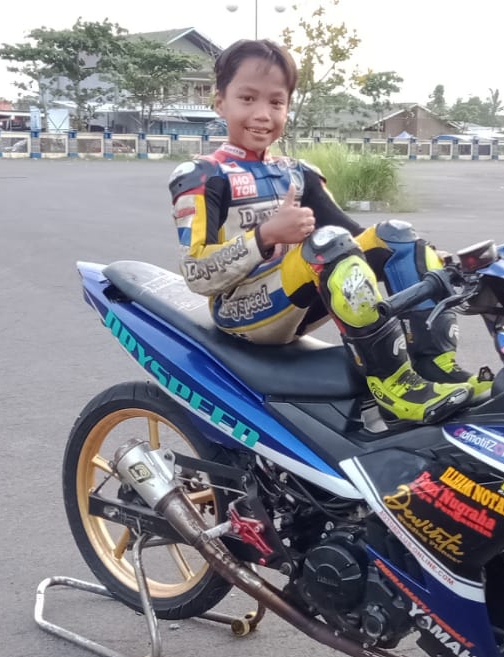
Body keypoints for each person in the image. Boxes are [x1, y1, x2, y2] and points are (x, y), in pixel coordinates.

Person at [168, 39, 487, 425]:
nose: (263, 114)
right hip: (239, 311)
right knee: (327, 245)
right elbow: (196, 274)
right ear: (220, 103)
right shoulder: (203, 175)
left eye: (276, 102)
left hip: (296, 301)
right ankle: (392, 385)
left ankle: (436, 366)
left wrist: (428, 257)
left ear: (287, 107)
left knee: (396, 235)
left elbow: (356, 238)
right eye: (247, 99)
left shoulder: (298, 172)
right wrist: (265, 236)